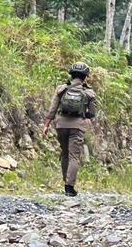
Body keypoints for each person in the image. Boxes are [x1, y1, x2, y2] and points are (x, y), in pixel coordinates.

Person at [40, 62, 98, 197]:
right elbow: (93, 113)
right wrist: (84, 114)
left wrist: (46, 125)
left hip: (61, 125)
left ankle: (65, 181)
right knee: (74, 156)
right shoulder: (89, 93)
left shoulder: (61, 89)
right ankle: (69, 187)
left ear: (71, 74)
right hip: (77, 127)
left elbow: (52, 109)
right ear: (85, 77)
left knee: (65, 153)